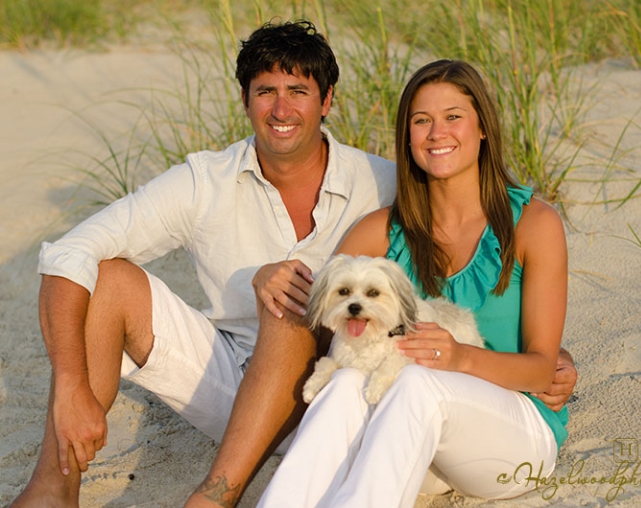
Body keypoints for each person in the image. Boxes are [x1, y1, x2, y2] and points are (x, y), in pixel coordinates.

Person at [11, 20, 575, 508]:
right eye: (265, 91)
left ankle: (216, 494)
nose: (281, 109)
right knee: (114, 279)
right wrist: (70, 384)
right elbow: (70, 252)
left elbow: (528, 352)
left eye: (298, 91)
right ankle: (55, 486)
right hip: (246, 381)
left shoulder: (384, 186)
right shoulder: (368, 217)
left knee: (329, 336)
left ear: (326, 101)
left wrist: (530, 361)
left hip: (390, 391)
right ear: (245, 99)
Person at [255, 59, 570, 507]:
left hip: (513, 440)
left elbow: (542, 369)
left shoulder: (534, 224)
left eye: (453, 117)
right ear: (408, 138)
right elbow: (324, 309)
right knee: (343, 383)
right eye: (421, 121)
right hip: (411, 441)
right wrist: (265, 276)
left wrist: (458, 355)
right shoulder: (380, 232)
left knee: (417, 383)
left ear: (483, 128)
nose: (437, 133)